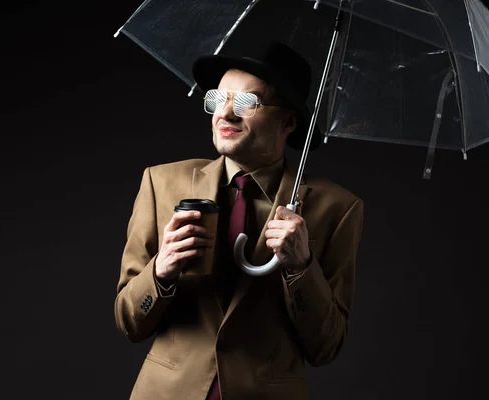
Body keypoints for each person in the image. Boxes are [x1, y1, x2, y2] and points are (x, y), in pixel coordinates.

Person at [114, 40, 364, 400]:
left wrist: (301, 268)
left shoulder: (338, 208)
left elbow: (326, 347)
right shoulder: (160, 184)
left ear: (289, 122)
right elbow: (128, 322)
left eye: (248, 103)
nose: (225, 114)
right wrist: (161, 271)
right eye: (217, 99)